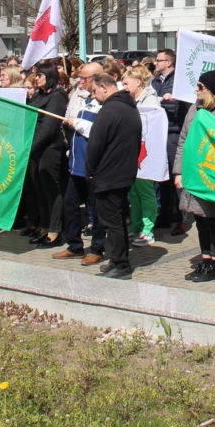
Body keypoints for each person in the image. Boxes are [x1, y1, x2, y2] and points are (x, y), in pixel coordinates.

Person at [173, 69, 215, 282]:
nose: (196, 90)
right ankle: (205, 259)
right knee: (198, 217)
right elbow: (183, 139)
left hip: (210, 172)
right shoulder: (195, 107)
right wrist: (179, 170)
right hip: (192, 171)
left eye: (200, 87)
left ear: (209, 90)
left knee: (212, 218)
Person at [84, 73, 142, 279]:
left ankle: (121, 264)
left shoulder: (109, 110)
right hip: (123, 173)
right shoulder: (128, 107)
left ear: (104, 87)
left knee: (112, 222)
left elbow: (95, 144)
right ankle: (117, 260)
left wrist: (89, 171)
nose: (93, 96)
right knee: (117, 220)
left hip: (109, 174)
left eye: (94, 91)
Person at [54, 62, 106, 264]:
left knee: (96, 208)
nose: (80, 82)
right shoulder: (78, 95)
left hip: (93, 164)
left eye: (84, 78)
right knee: (70, 205)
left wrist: (76, 122)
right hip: (75, 162)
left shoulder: (105, 100)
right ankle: (74, 245)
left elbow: (99, 131)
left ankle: (97, 248)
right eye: (80, 78)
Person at [25, 59, 69, 248]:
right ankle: (44, 226)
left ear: (49, 76)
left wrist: (31, 147)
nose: (36, 79)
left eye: (40, 75)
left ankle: (55, 230)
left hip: (49, 149)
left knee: (51, 190)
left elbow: (49, 127)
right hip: (35, 150)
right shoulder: (39, 95)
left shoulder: (57, 97)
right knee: (39, 190)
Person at [120, 65, 161, 245]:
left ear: (138, 83)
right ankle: (136, 226)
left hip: (145, 154)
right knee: (135, 192)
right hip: (133, 151)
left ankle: (148, 229)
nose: (124, 87)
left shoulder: (150, 101)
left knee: (145, 192)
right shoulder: (132, 100)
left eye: (126, 83)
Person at [150, 48, 189, 234]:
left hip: (174, 131)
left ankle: (182, 218)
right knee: (161, 176)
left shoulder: (178, 81)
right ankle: (165, 214)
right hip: (159, 132)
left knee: (176, 175)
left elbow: (180, 104)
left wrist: (165, 101)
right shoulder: (155, 81)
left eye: (159, 60)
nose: (156, 63)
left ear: (169, 62)